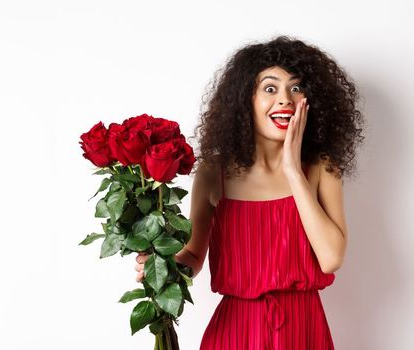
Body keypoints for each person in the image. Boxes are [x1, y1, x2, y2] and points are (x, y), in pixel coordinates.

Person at [135, 35, 364, 349]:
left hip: (303, 330)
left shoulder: (322, 169)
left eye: (296, 88)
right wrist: (162, 267)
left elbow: (331, 259)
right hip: (235, 331)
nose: (285, 99)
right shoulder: (214, 173)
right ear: (245, 101)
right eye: (270, 88)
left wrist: (293, 172)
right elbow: (193, 254)